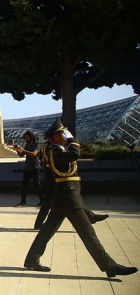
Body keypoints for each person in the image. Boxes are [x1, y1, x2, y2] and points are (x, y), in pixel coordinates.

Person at [24, 117, 138, 277]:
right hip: (68, 199)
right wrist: (72, 139)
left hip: (64, 197)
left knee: (46, 231)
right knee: (88, 233)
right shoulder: (55, 151)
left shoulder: (55, 150)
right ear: (56, 137)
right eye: (62, 133)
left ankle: (31, 259)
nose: (65, 136)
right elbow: (74, 155)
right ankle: (110, 266)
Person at [33, 139, 108, 229]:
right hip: (54, 179)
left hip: (53, 178)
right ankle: (91, 217)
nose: (64, 139)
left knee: (51, 202)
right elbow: (72, 156)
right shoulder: (52, 148)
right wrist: (74, 143)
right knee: (72, 200)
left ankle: (39, 224)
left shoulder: (50, 147)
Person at [14, 131, 44, 207]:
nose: (25, 139)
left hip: (35, 167)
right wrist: (17, 150)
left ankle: (42, 201)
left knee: (38, 185)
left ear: (31, 137)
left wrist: (23, 150)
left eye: (27, 137)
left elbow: (34, 154)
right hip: (27, 168)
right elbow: (21, 155)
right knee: (24, 185)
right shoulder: (27, 145)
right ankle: (23, 202)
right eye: (25, 138)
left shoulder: (37, 144)